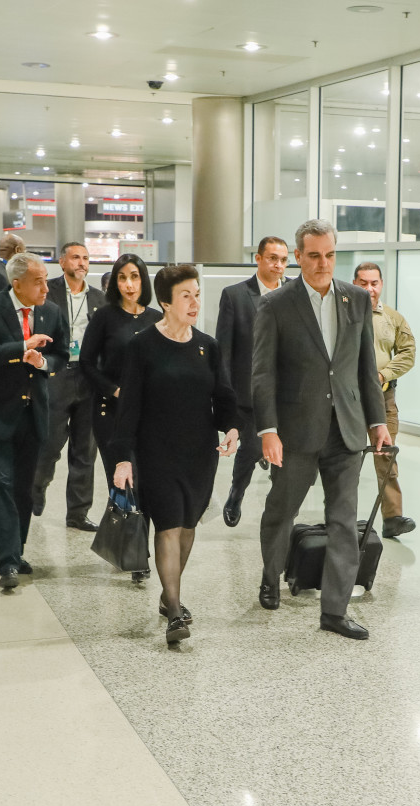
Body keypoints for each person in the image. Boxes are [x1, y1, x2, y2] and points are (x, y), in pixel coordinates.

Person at [252, 220, 390, 641]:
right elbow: (263, 374)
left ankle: (334, 610)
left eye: (329, 255)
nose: (323, 263)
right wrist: (268, 430)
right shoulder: (276, 304)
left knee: (343, 521)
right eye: (314, 255)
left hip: (346, 429)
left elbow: (365, 366)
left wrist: (377, 422)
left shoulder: (355, 299)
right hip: (295, 431)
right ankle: (271, 575)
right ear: (298, 256)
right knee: (282, 511)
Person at [111, 265, 239, 645]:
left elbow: (224, 397)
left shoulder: (207, 346)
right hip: (156, 453)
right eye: (186, 295)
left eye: (197, 294)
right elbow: (128, 408)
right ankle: (174, 612)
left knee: (187, 526)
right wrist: (122, 458)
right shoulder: (141, 346)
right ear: (166, 302)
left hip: (199, 454)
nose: (195, 302)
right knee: (167, 525)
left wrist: (233, 429)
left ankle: (169, 596)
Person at [0, 252, 68, 589]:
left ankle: (17, 550)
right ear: (17, 284)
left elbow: (62, 355)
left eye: (45, 280)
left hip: (33, 413)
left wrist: (43, 363)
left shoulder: (51, 312)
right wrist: (21, 347)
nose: (45, 288)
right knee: (0, 486)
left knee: (24, 490)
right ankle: (7, 562)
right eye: (38, 282)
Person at [81, 254, 161, 583]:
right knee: (126, 481)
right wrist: (114, 390)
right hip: (110, 413)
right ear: (115, 282)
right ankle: (136, 555)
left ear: (144, 280)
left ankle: (137, 547)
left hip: (150, 415)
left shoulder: (157, 318)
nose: (129, 284)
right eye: (123, 278)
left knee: (148, 483)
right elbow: (87, 363)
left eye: (135, 277)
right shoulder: (105, 317)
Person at [216, 235, 288, 527]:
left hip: (287, 393)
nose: (278, 265)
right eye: (272, 258)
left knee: (288, 455)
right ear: (258, 259)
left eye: (283, 260)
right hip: (249, 392)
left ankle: (281, 510)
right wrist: (226, 397)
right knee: (251, 450)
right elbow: (224, 350)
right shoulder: (235, 295)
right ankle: (236, 493)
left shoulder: (295, 293)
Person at [32, 241, 101, 530]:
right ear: (62, 262)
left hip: (88, 376)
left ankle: (78, 513)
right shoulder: (47, 292)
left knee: (85, 449)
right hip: (56, 372)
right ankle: (36, 487)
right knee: (49, 443)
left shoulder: (99, 298)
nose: (81, 263)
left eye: (85, 258)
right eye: (75, 257)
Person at [353, 261, 417, 538]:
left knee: (386, 456)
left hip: (383, 398)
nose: (370, 289)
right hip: (350, 399)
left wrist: (383, 375)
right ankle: (343, 515)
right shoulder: (344, 313)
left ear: (381, 284)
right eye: (363, 283)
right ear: (354, 284)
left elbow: (408, 353)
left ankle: (393, 518)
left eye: (374, 283)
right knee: (347, 458)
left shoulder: (393, 318)